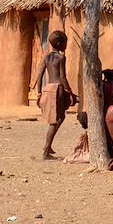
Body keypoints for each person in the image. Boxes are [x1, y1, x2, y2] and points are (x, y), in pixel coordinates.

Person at [35, 31, 76, 160]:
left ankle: (48, 146)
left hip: (48, 88)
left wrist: (39, 93)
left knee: (59, 117)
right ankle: (46, 149)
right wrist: (70, 92)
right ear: (59, 44)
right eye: (65, 43)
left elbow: (39, 75)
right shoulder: (61, 58)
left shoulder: (46, 57)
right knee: (56, 120)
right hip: (58, 89)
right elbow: (63, 77)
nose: (66, 46)